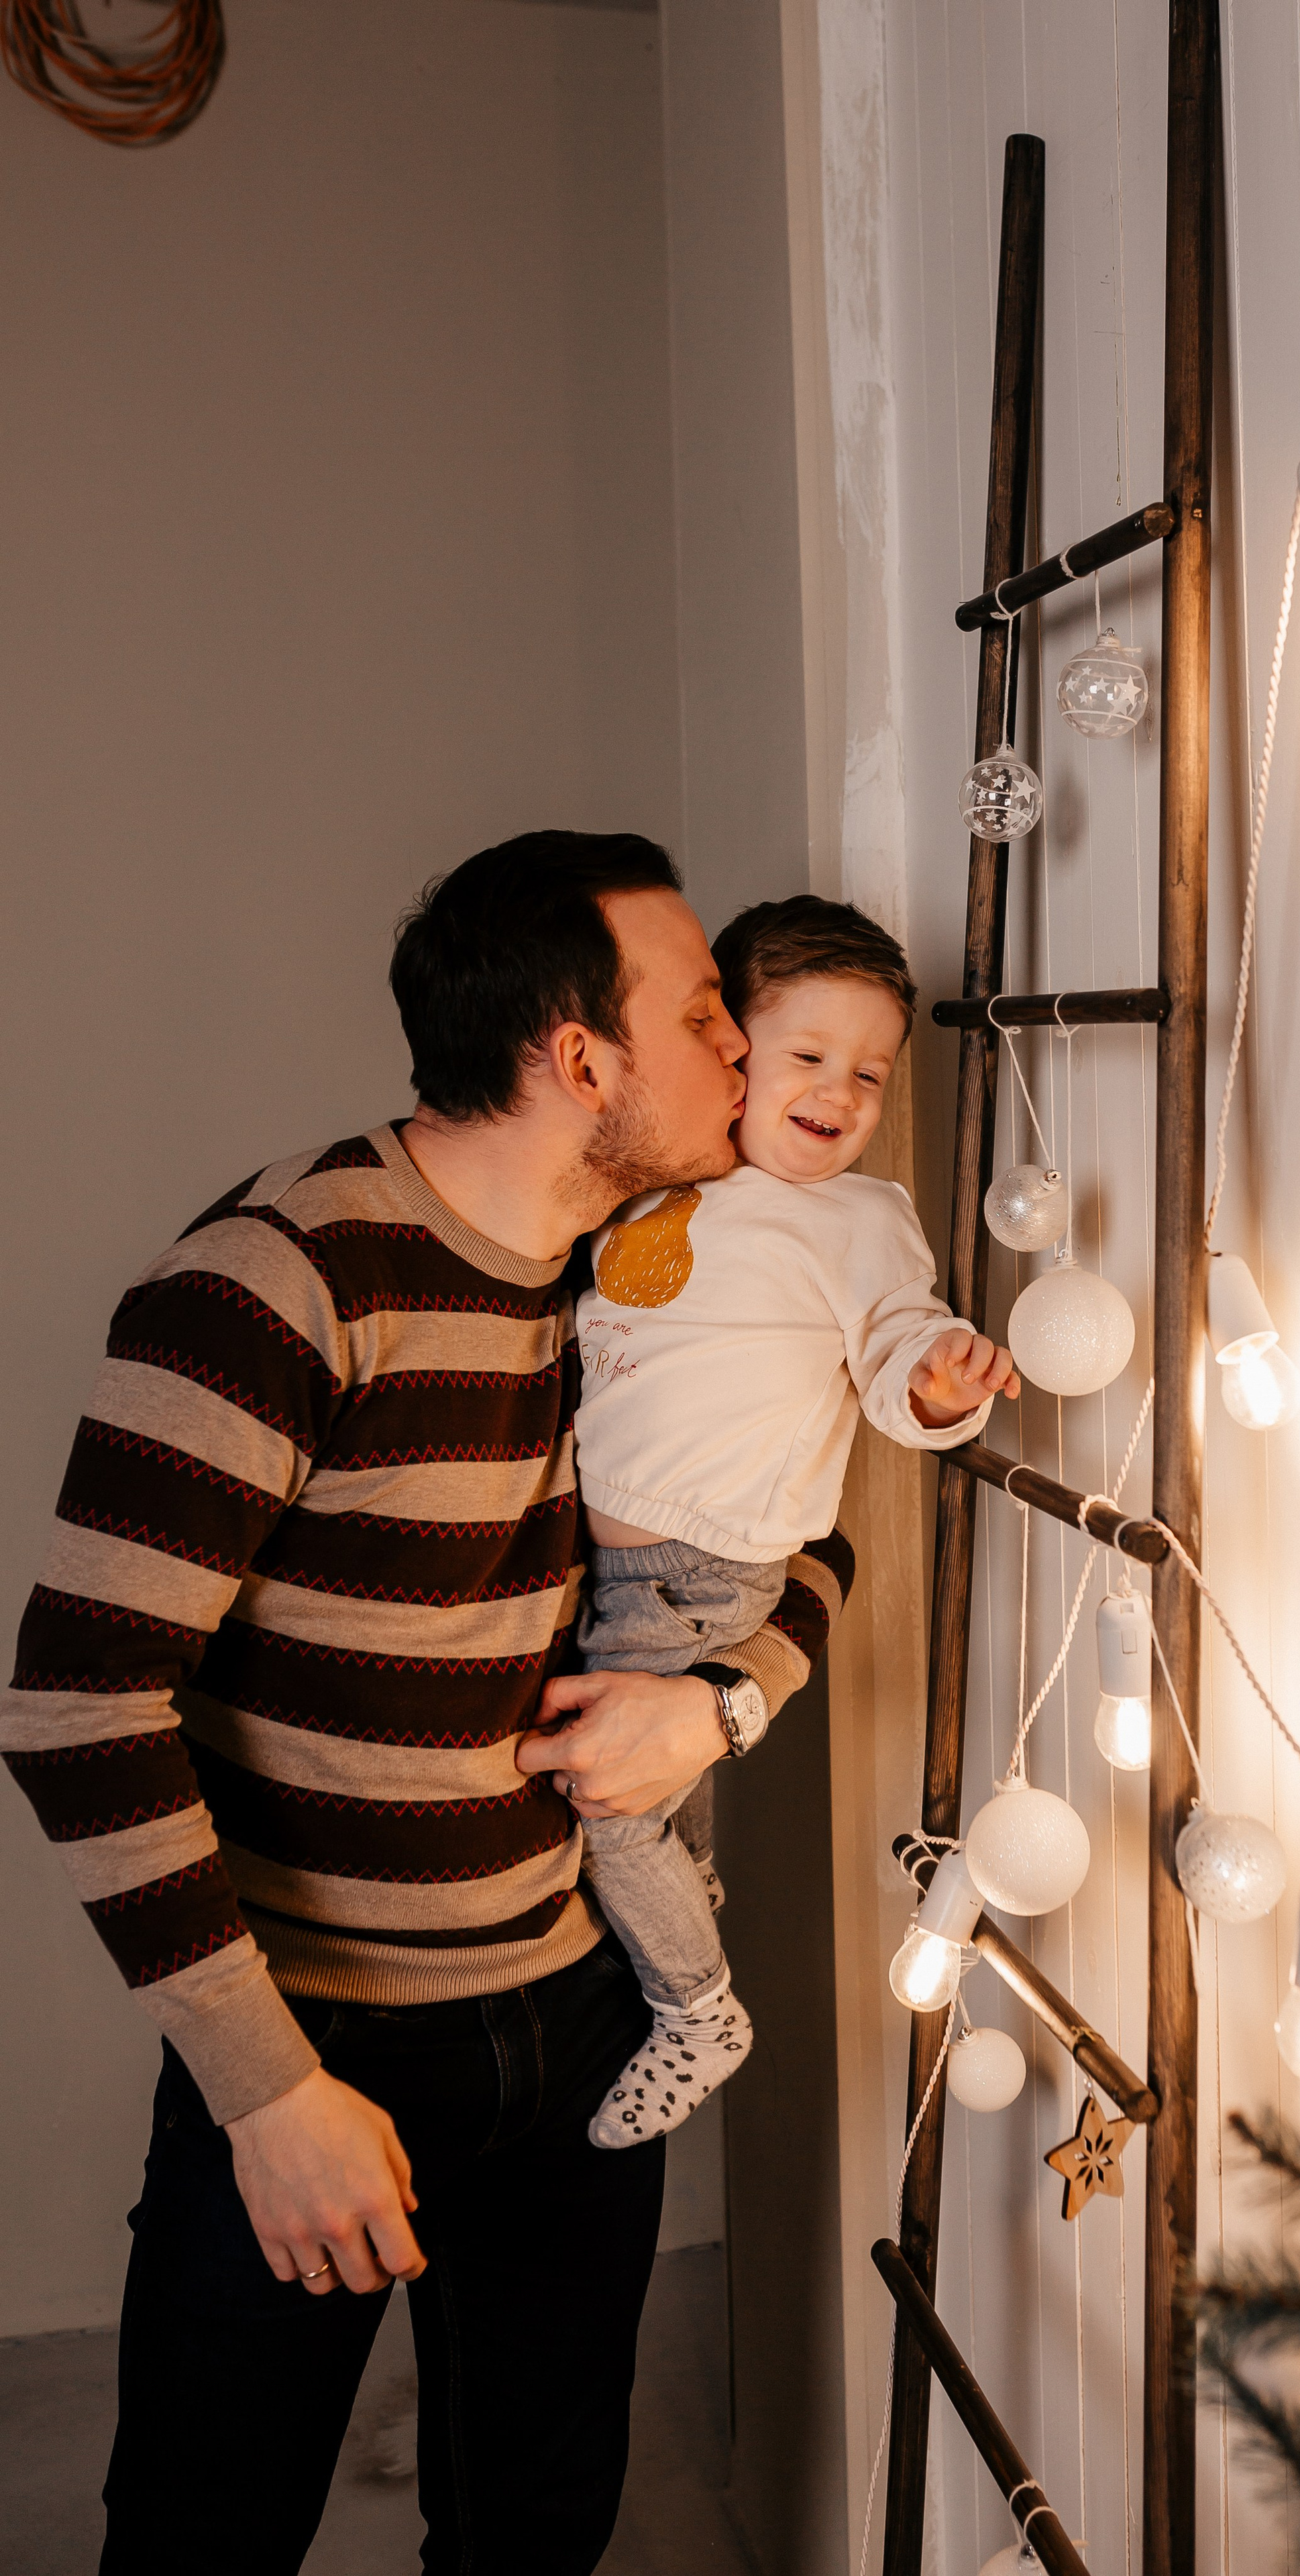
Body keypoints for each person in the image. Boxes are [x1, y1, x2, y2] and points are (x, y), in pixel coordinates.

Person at [0, 832, 850, 2576]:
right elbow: (78, 1703)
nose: (746, 1053)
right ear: (580, 1057)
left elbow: (818, 1536)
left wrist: (724, 1704)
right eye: (705, 1014)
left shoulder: (663, 1280)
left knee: (533, 2530)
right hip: (326, 2051)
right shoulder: (274, 1284)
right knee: (201, 2538)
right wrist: (261, 2091)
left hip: (585, 2014)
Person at [567, 895, 1016, 2147]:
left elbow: (897, 1334)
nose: (841, 1091)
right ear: (731, 1052)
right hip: (625, 1562)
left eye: (868, 1073)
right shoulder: (668, 1180)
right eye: (808, 1056)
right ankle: (689, 1886)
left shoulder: (854, 1218)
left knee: (610, 1804)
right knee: (645, 1796)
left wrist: (936, 1378)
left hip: (705, 1560)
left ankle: (698, 2006)